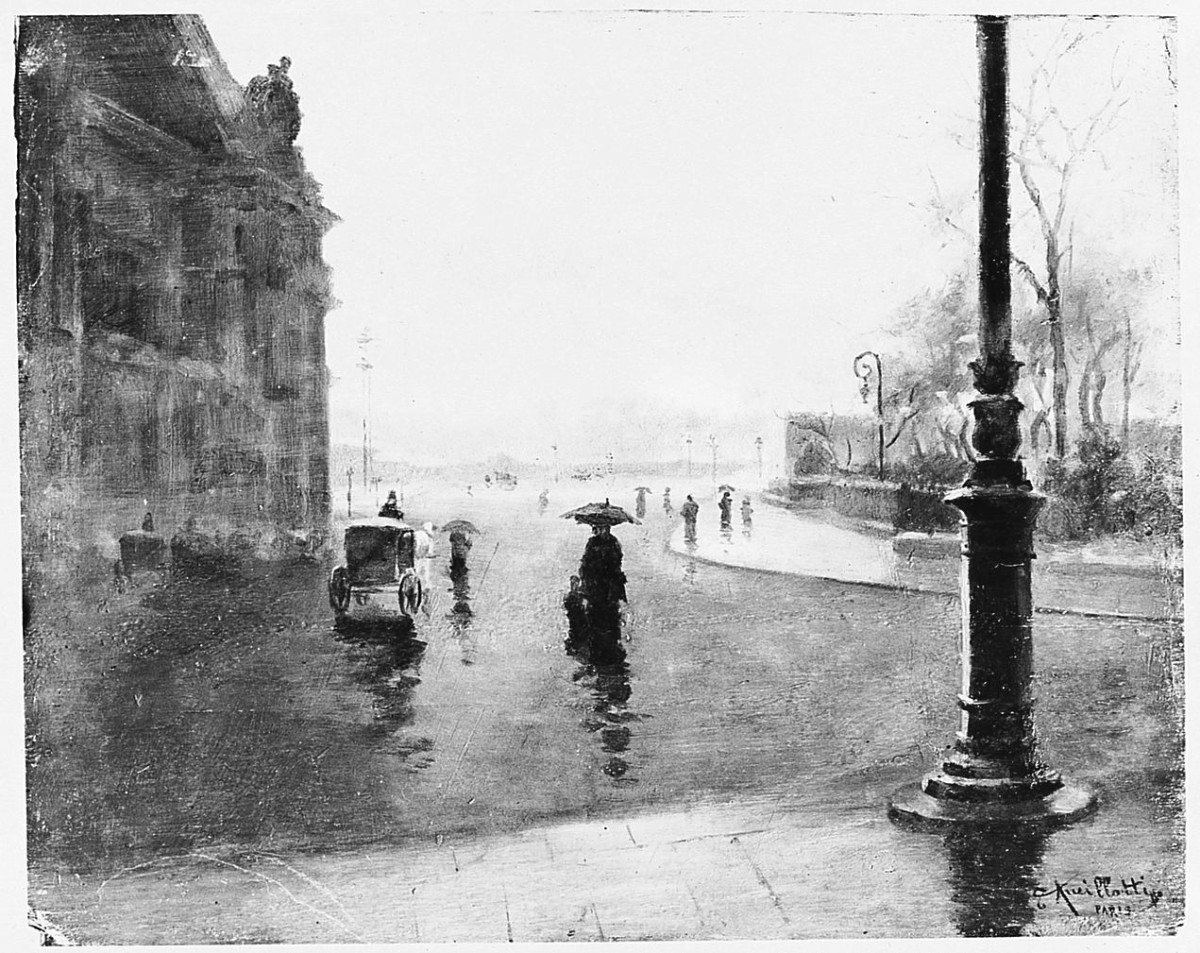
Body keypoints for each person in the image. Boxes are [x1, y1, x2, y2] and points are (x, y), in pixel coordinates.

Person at [578, 522, 628, 626]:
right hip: (595, 585)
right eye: (602, 528)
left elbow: (617, 564)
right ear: (597, 529)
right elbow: (585, 564)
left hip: (609, 586)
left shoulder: (613, 542)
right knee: (594, 617)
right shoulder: (592, 543)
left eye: (606, 528)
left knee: (611, 617)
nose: (604, 531)